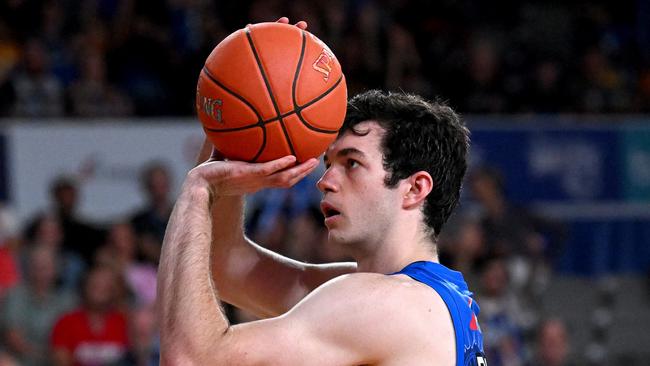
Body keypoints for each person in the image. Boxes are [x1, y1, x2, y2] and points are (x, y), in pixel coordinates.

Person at [157, 18, 485, 365]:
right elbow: (227, 265)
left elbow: (188, 359)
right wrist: (241, 89)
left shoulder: (385, 305)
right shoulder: (423, 297)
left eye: (352, 164)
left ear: (415, 188)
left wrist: (198, 189)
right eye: (328, 164)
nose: (325, 181)